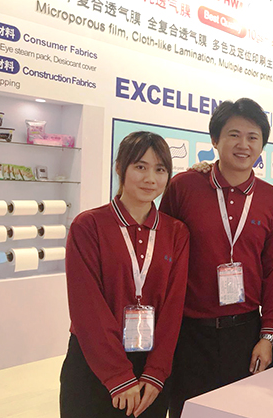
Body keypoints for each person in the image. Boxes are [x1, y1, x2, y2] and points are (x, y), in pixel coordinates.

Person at [159, 99, 273, 418]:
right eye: (234, 135)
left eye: (253, 137)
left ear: (262, 145)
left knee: (239, 412)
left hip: (243, 332)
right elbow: (163, 258)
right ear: (215, 140)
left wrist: (268, 335)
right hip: (189, 332)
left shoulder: (272, 199)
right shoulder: (183, 187)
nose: (244, 145)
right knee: (188, 411)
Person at [60, 131, 189, 418]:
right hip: (95, 362)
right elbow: (86, 306)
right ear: (120, 167)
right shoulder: (88, 226)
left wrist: (157, 372)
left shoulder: (176, 232)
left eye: (160, 169)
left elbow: (173, 307)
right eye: (140, 167)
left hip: (150, 368)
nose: (150, 179)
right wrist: (117, 375)